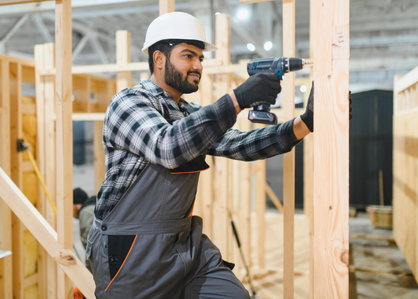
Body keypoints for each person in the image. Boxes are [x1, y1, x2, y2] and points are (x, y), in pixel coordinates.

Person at [86, 11, 313, 299]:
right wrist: (237, 100)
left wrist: (305, 123)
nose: (198, 66)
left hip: (182, 244)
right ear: (158, 59)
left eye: (201, 58)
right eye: (188, 56)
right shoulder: (128, 103)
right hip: (131, 251)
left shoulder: (186, 113)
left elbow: (240, 144)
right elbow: (167, 147)